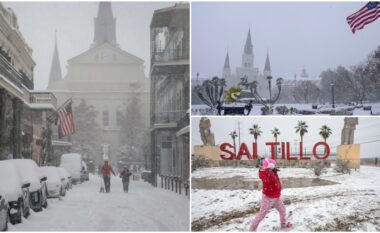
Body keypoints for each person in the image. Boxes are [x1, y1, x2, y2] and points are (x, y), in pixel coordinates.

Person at [249, 158, 292, 231]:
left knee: (282, 210)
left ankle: (283, 225)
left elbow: (275, 181)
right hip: (268, 197)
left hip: (276, 196)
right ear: (269, 166)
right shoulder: (265, 173)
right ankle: (252, 228)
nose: (275, 166)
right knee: (262, 214)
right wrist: (265, 170)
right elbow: (267, 179)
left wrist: (273, 171)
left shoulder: (271, 171)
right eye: (274, 165)